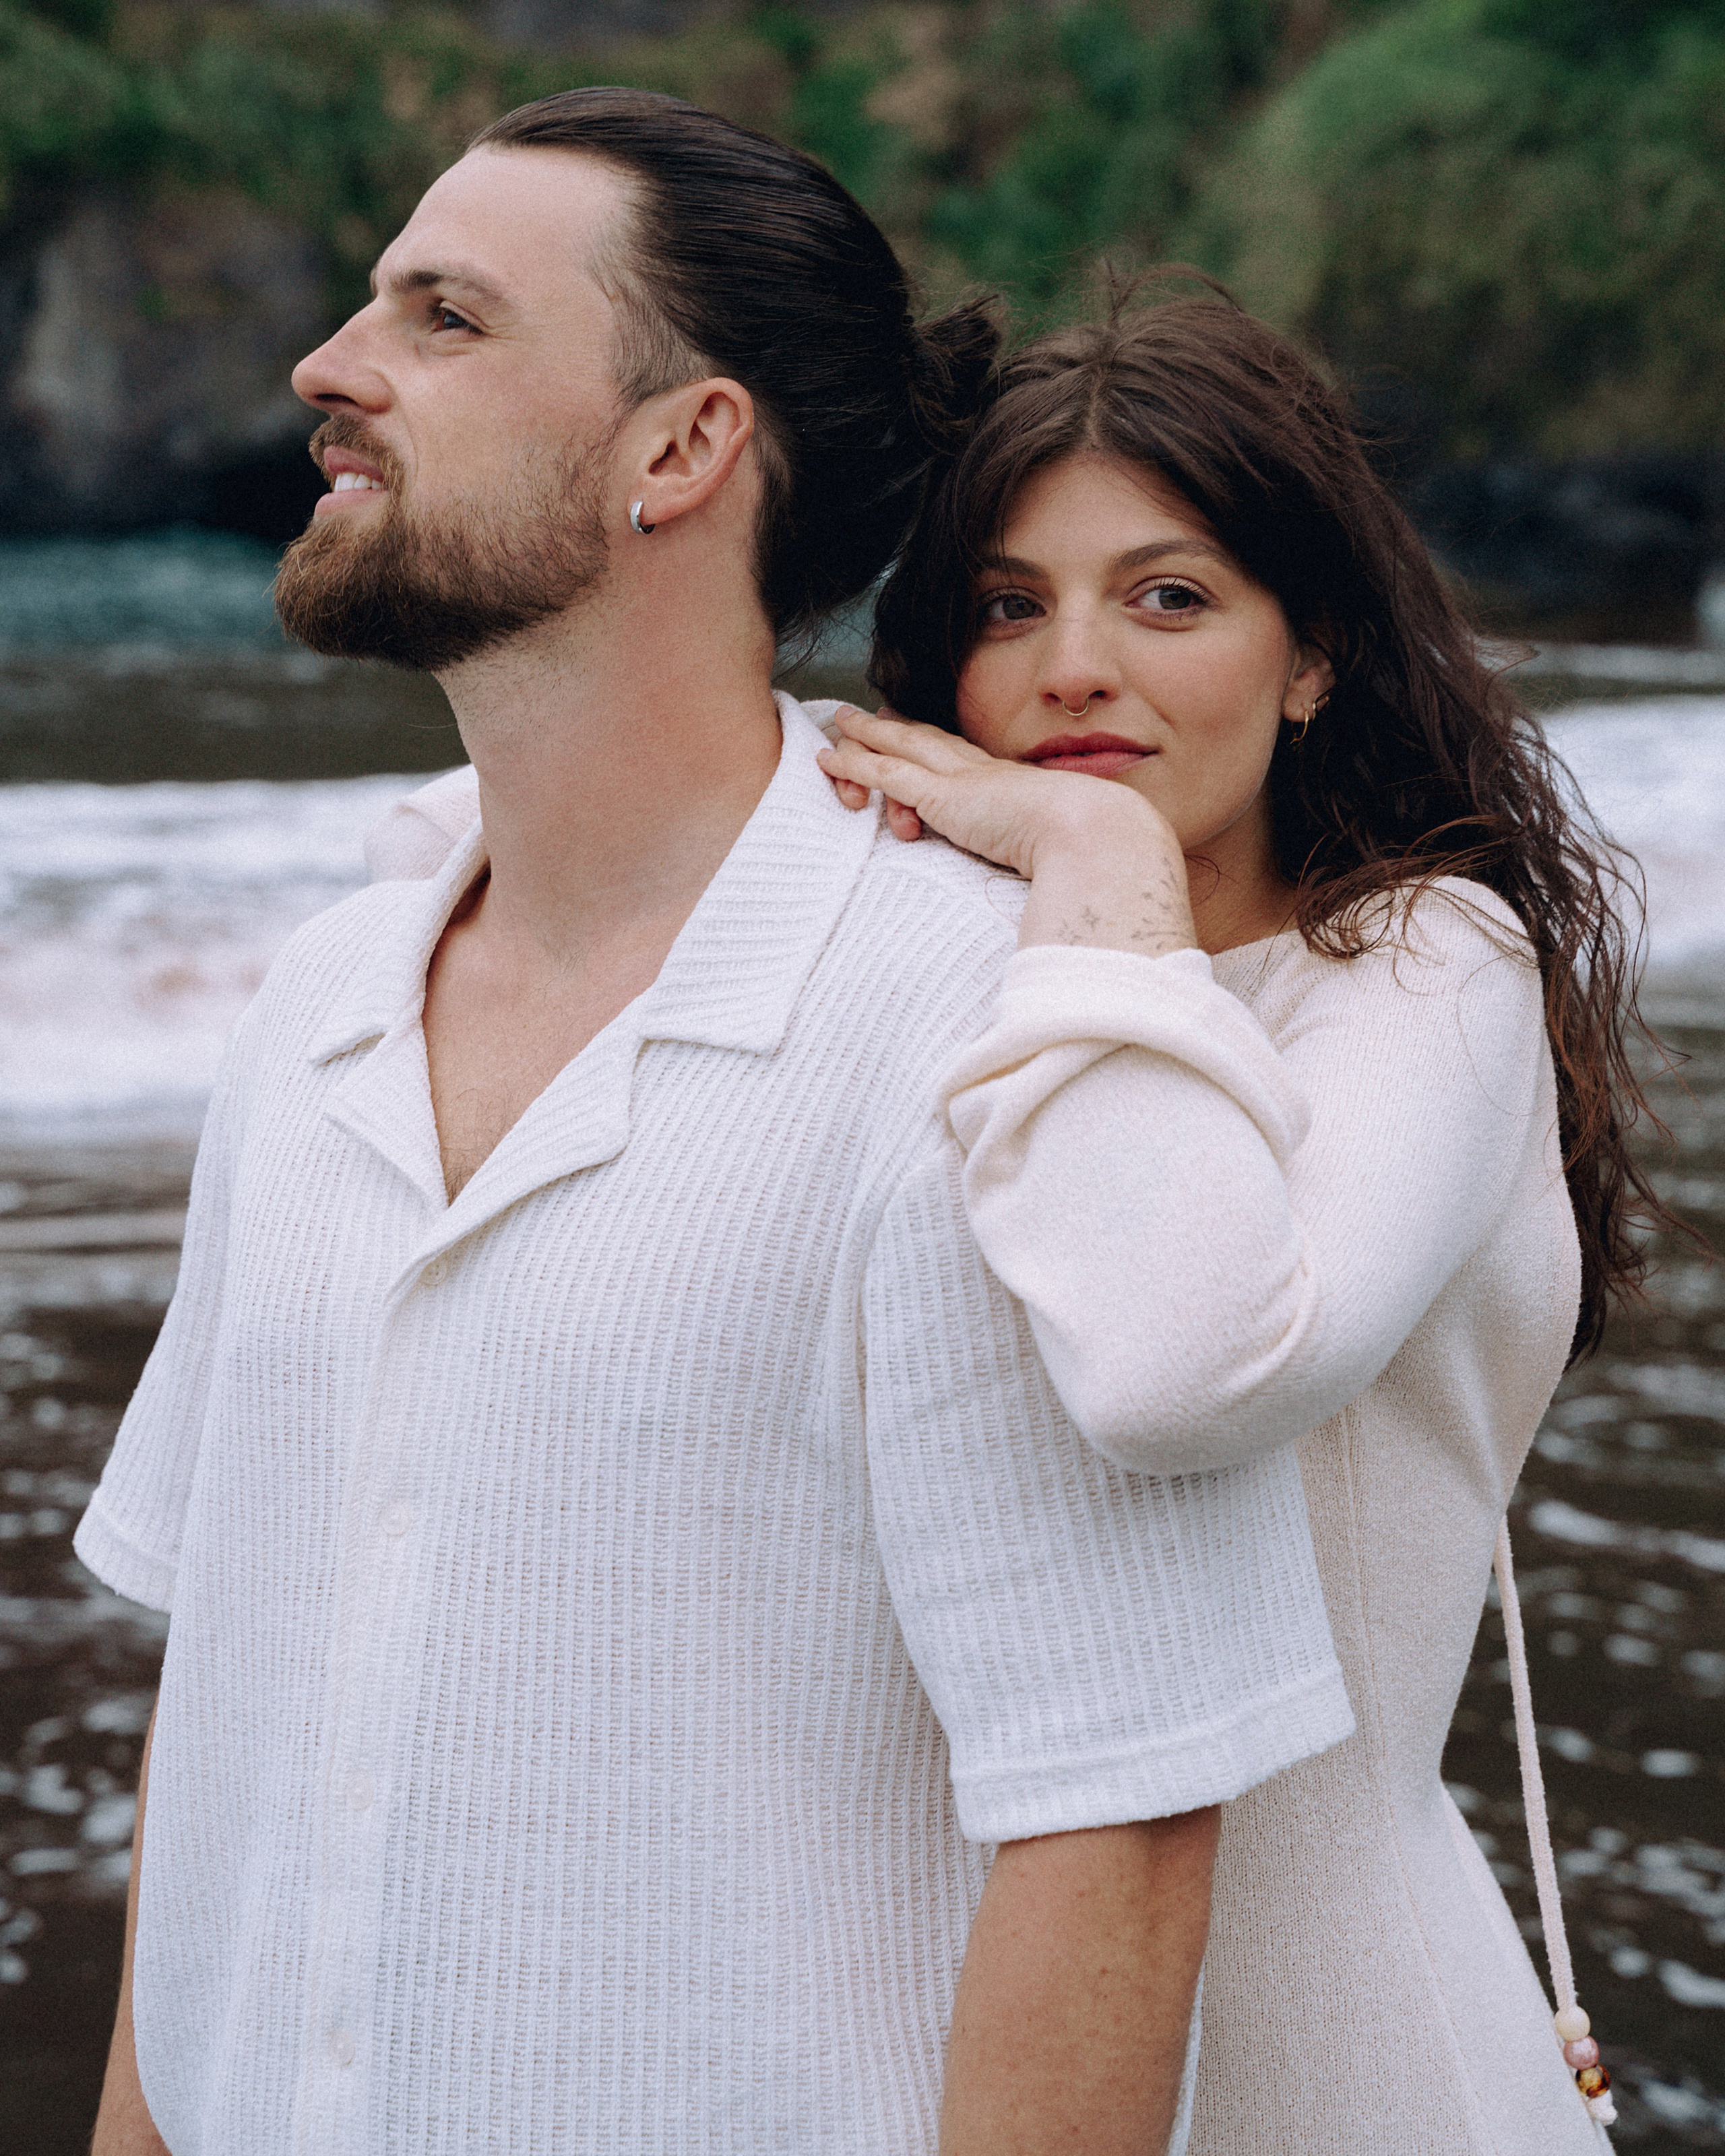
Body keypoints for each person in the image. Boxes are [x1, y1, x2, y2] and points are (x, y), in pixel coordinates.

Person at [74, 102, 1354, 2156]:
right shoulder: (317, 1004)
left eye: (445, 315)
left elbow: (1123, 1817)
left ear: (685, 450)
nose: (330, 360)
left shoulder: (977, 1037)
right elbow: (221, 1702)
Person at [808, 294, 1667, 2153]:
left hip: (1342, 2054)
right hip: (980, 2044)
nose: (1073, 670)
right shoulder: (956, 979)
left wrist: (1100, 867)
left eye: (1170, 598)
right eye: (1007, 605)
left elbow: (1193, 1358)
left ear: (1314, 659)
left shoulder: (1428, 967)